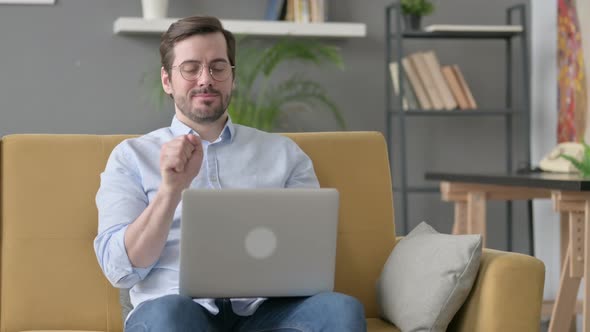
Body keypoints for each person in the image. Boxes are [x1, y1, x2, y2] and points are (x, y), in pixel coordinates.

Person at [93, 15, 366, 332]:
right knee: (167, 317)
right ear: (167, 80)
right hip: (176, 310)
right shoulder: (131, 157)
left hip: (267, 312)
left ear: (232, 77)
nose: (205, 79)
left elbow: (309, 258)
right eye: (190, 68)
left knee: (341, 310)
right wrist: (170, 191)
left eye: (218, 67)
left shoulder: (284, 155)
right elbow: (120, 271)